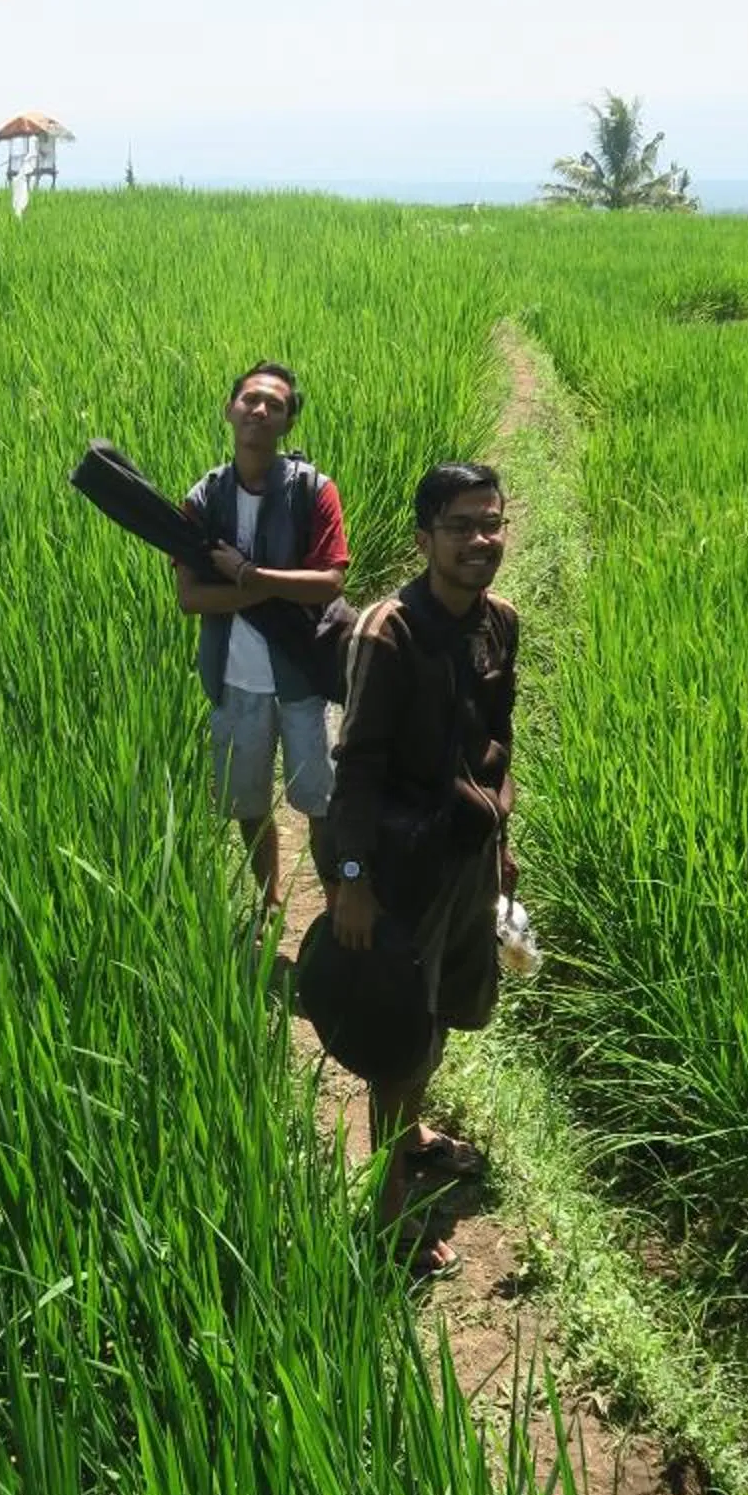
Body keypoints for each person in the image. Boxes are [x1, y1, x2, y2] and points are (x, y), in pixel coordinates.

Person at [324, 462, 518, 1277]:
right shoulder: (387, 631)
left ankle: (411, 1135)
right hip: (398, 863)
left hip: (465, 855)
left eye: (491, 523)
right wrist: (353, 878)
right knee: (399, 1033)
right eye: (460, 526)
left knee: (440, 1012)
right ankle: (390, 1206)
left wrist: (502, 844)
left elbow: (497, 740)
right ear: (423, 539)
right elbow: (357, 765)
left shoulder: (500, 622)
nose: (480, 539)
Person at [173, 363, 350, 918]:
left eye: (275, 404)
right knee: (247, 803)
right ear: (230, 409)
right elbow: (190, 598)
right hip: (233, 678)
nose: (260, 409)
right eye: (250, 399)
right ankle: (272, 901)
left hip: (303, 675)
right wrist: (268, 589)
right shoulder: (203, 497)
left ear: (288, 422)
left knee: (322, 802)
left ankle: (337, 907)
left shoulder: (314, 491)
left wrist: (248, 575)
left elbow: (329, 581)